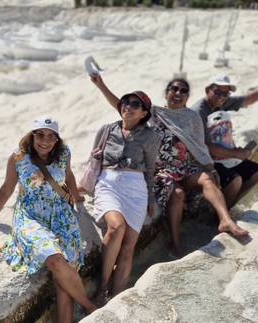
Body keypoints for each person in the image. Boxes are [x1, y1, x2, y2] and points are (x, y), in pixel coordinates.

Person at [91, 75, 249, 258]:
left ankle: (225, 220)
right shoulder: (154, 114)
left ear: (188, 97)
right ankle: (175, 242)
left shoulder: (192, 117)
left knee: (207, 178)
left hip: (186, 166)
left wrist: (210, 167)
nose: (178, 93)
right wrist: (101, 85)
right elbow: (121, 105)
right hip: (162, 170)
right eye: (174, 89)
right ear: (166, 93)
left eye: (183, 91)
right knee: (178, 195)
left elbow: (199, 146)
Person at [0, 116, 96, 323]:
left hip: (60, 215)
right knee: (55, 259)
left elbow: (68, 175)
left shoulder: (64, 153)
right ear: (32, 135)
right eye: (40, 134)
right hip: (30, 216)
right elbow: (6, 189)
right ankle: (91, 308)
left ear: (57, 140)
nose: (45, 141)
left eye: (51, 136)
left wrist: (76, 197)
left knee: (62, 283)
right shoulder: (18, 158)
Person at [190, 69, 258, 208]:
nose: (221, 96)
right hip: (205, 161)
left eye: (225, 93)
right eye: (217, 92)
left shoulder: (221, 102)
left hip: (223, 156)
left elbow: (249, 99)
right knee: (235, 180)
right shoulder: (199, 112)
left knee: (257, 172)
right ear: (208, 90)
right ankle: (220, 217)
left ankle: (225, 209)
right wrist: (236, 153)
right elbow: (206, 146)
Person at [90, 91, 161, 303]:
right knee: (116, 227)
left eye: (134, 104)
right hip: (109, 184)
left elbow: (150, 169)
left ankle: (117, 297)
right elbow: (93, 161)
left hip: (136, 190)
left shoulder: (151, 137)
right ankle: (102, 287)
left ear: (143, 113)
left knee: (128, 249)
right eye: (125, 102)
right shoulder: (106, 130)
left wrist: (149, 198)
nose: (127, 107)